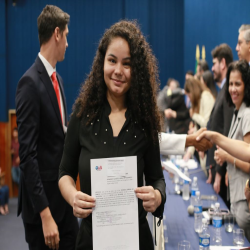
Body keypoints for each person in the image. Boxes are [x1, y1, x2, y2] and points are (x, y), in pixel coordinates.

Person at [58, 20, 166, 250]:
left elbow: (157, 178)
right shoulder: (82, 114)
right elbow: (65, 172)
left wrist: (157, 196)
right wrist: (72, 196)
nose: (118, 71)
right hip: (91, 240)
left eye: (127, 64)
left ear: (136, 69)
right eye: (112, 61)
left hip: (136, 241)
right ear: (102, 63)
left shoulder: (145, 120)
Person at [15, 5, 78, 250]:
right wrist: (45, 214)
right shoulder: (29, 83)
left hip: (63, 203)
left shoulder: (58, 80)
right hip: (44, 212)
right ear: (57, 34)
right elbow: (27, 156)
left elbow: (56, 136)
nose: (68, 44)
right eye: (67, 36)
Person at [197, 60, 250, 241]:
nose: (233, 89)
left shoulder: (248, 113)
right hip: (236, 196)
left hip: (245, 200)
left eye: (238, 84)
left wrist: (228, 157)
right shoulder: (237, 111)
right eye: (231, 84)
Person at [206, 44, 234, 208]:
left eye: (214, 63)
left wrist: (219, 171)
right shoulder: (222, 90)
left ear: (223, 63)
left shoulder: (229, 92)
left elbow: (226, 133)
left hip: (223, 172)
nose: (212, 68)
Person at [183, 77, 214, 172]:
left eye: (189, 95)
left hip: (209, 149)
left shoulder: (206, 96)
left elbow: (207, 123)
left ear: (193, 91)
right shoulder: (199, 101)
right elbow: (196, 130)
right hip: (202, 150)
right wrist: (189, 152)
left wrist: (194, 115)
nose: (189, 99)